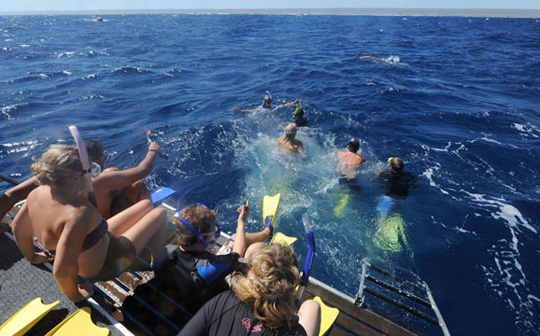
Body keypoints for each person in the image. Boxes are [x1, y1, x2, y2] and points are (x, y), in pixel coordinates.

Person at [11, 145, 168, 302]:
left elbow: (17, 227)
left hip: (98, 243)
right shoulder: (78, 212)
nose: (91, 177)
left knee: (144, 207)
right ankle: (157, 265)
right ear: (73, 178)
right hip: (110, 264)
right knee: (160, 213)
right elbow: (62, 270)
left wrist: (33, 257)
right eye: (87, 172)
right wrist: (76, 296)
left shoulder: (36, 193)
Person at [0, 139, 161, 226]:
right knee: (136, 185)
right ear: (97, 161)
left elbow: (11, 194)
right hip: (95, 233)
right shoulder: (103, 179)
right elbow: (143, 170)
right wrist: (152, 149)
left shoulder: (48, 176)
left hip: (57, 231)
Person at [178, 243, 321, 336]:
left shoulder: (224, 300)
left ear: (250, 274)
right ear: (293, 287)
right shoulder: (292, 332)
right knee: (312, 306)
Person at [235, 95, 302, 113]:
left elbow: (284, 105)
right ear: (265, 102)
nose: (270, 103)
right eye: (268, 102)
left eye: (270, 101)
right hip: (265, 115)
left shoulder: (273, 106)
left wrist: (294, 103)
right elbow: (250, 111)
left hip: (270, 113)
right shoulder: (261, 108)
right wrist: (240, 111)